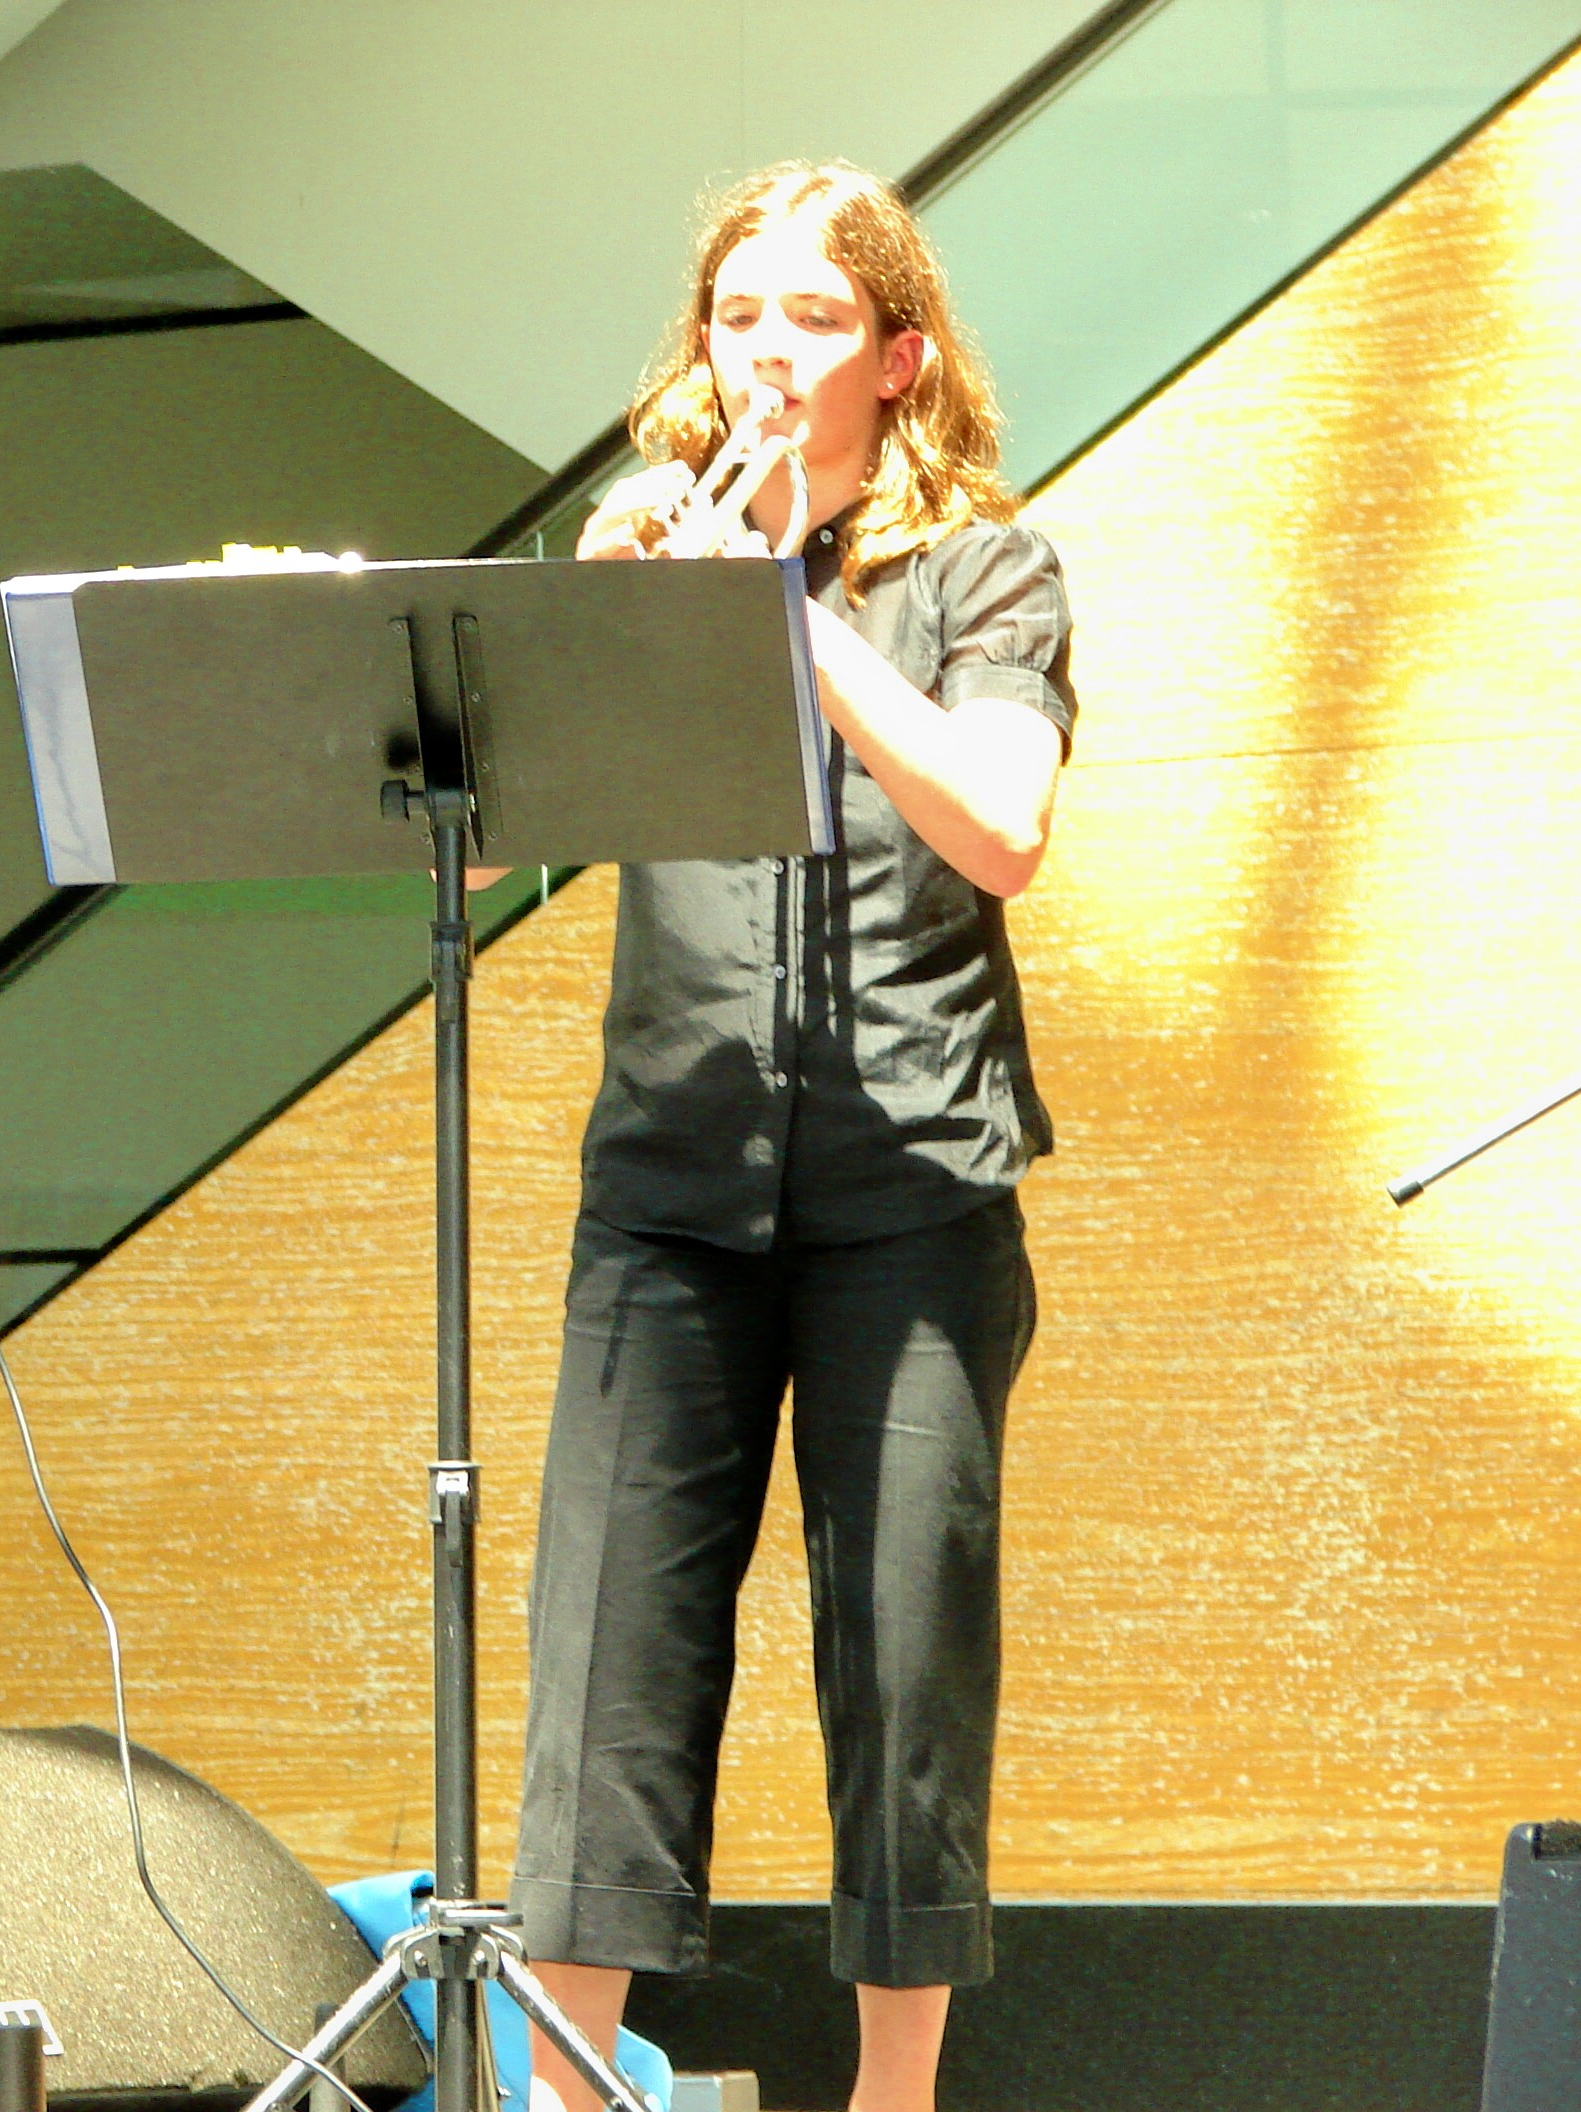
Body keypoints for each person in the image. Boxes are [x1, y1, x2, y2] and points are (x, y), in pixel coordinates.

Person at [512, 163, 1072, 2112]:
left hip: (911, 1188)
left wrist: (785, 626)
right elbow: (488, 837)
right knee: (608, 1661)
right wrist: (588, 638)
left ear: (894, 357)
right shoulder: (642, 556)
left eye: (812, 319)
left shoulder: (983, 571)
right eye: (736, 314)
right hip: (665, 1188)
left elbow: (1001, 825)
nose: (765, 348)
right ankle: (571, 2090)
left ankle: (891, 2102)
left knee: (903, 1663)